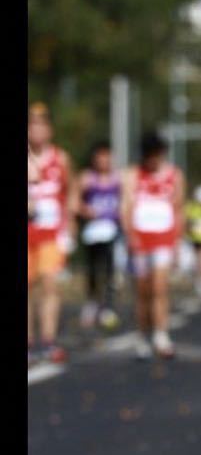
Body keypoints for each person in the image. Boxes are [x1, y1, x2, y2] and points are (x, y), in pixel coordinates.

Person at [121, 132, 185, 359]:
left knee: (160, 288)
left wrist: (177, 242)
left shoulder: (174, 175)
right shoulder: (132, 174)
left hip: (164, 239)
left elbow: (178, 209)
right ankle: (142, 334)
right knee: (142, 291)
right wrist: (130, 236)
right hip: (140, 239)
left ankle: (161, 335)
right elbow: (126, 206)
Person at [28, 103, 76, 364]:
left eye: (41, 124)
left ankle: (48, 340)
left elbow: (70, 193)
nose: (36, 130)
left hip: (50, 233)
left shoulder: (61, 158)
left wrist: (69, 227)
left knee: (49, 284)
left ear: (50, 129)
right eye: (32, 124)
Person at [76, 140, 122, 331]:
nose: (104, 160)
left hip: (112, 230)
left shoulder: (119, 179)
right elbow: (74, 201)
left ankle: (108, 307)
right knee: (94, 270)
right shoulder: (87, 178)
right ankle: (92, 303)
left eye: (107, 156)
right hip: (93, 232)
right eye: (100, 157)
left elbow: (128, 202)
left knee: (111, 271)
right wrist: (84, 210)